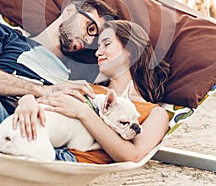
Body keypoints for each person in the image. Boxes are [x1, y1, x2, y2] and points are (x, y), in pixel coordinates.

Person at [12, 20, 170, 163]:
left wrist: (84, 112)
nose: (97, 52)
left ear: (131, 48)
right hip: (22, 130)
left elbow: (133, 156)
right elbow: (47, 101)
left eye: (106, 44)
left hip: (65, 159)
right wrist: (27, 100)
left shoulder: (155, 113)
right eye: (98, 46)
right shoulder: (84, 86)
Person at [0, 0, 117, 144]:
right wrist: (44, 90)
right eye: (90, 28)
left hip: (26, 135)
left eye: (95, 41)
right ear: (70, 11)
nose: (89, 40)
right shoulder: (5, 35)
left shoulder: (77, 77)